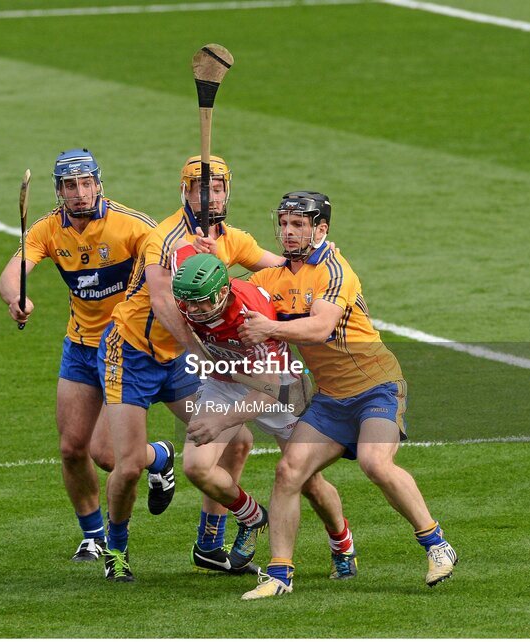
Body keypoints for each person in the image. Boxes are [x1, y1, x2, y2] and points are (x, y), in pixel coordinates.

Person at [238, 191, 458, 599]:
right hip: (331, 399)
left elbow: (320, 328)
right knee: (289, 472)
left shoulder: (335, 270)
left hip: (377, 387)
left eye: (298, 224)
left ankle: (437, 545)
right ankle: (279, 575)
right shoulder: (272, 279)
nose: (287, 232)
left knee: (375, 462)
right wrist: (206, 256)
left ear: (320, 230)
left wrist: (269, 329)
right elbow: (232, 294)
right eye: (284, 223)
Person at [97, 155, 285, 582]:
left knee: (236, 440)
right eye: (202, 189)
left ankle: (209, 544)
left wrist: (315, 267)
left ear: (227, 192)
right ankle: (117, 549)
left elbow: (278, 269)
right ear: (184, 192)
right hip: (131, 352)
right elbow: (163, 302)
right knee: (125, 465)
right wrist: (200, 351)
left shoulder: (230, 238)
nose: (210, 196)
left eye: (217, 189)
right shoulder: (162, 238)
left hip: (180, 359)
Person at [0, 148, 165, 564]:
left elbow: (168, 260)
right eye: (71, 185)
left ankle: (160, 456)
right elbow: (12, 270)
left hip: (123, 346)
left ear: (98, 183)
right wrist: (15, 298)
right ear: (59, 191)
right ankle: (92, 535)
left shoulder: (132, 225)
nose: (80, 192)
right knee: (72, 448)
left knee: (107, 456)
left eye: (86, 183)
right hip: (79, 345)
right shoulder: (48, 230)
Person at [171, 248, 359, 580]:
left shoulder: (248, 316)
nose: (194, 309)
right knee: (196, 467)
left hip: (278, 385)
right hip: (226, 378)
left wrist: (222, 420)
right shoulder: (188, 301)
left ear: (223, 290)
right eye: (188, 302)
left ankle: (341, 543)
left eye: (201, 302)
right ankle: (252, 516)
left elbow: (268, 389)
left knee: (307, 481)